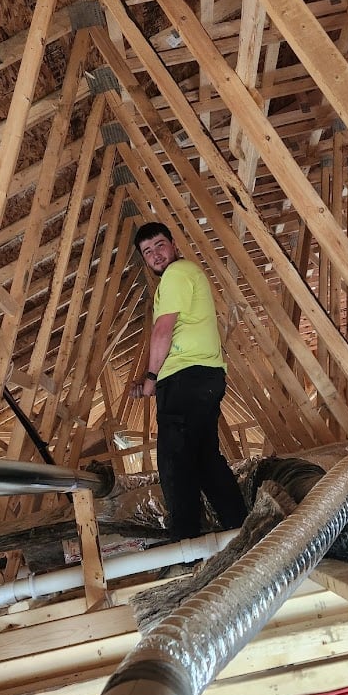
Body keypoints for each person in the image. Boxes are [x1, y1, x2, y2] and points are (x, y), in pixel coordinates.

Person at [130, 221, 248, 541]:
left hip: (186, 378)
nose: (155, 254)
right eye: (148, 251)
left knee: (175, 463)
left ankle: (185, 547)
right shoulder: (185, 275)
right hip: (203, 377)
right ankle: (241, 529)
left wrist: (152, 377)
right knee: (205, 460)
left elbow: (163, 330)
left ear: (174, 245)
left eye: (159, 245)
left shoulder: (177, 274)